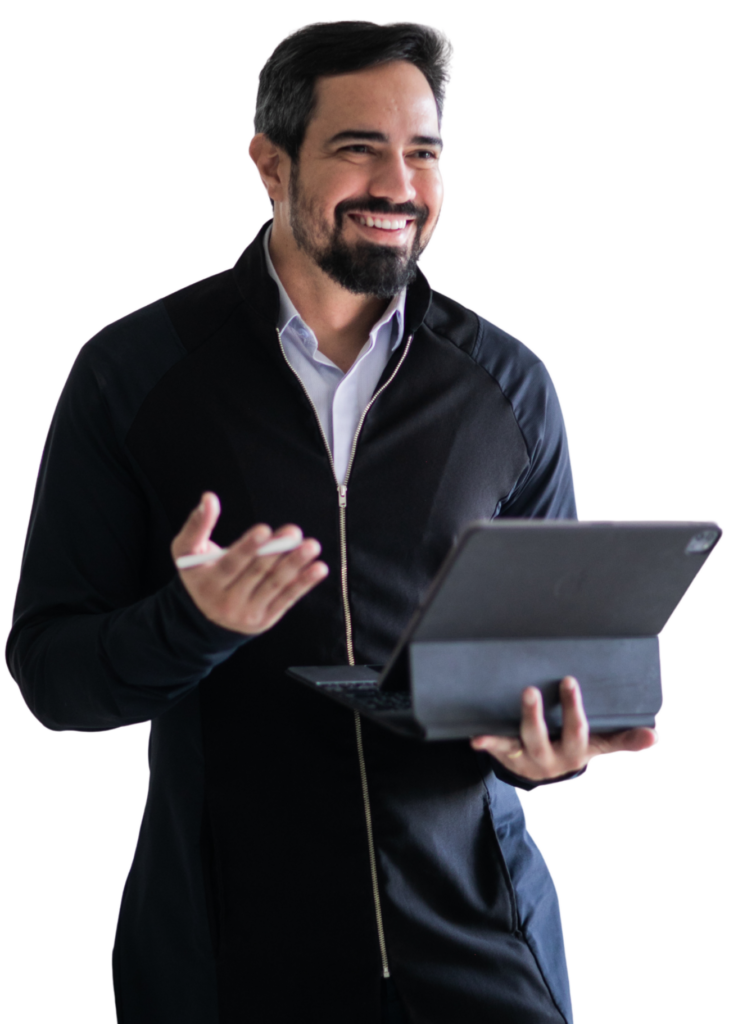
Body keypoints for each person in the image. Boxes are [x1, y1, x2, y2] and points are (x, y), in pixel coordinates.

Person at [6, 19, 660, 1024]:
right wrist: (195, 622)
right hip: (227, 965)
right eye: (360, 148)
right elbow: (53, 677)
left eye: (424, 152)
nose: (400, 185)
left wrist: (551, 752)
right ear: (271, 164)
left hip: (482, 953)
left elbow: (549, 669)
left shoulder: (507, 383)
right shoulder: (133, 374)